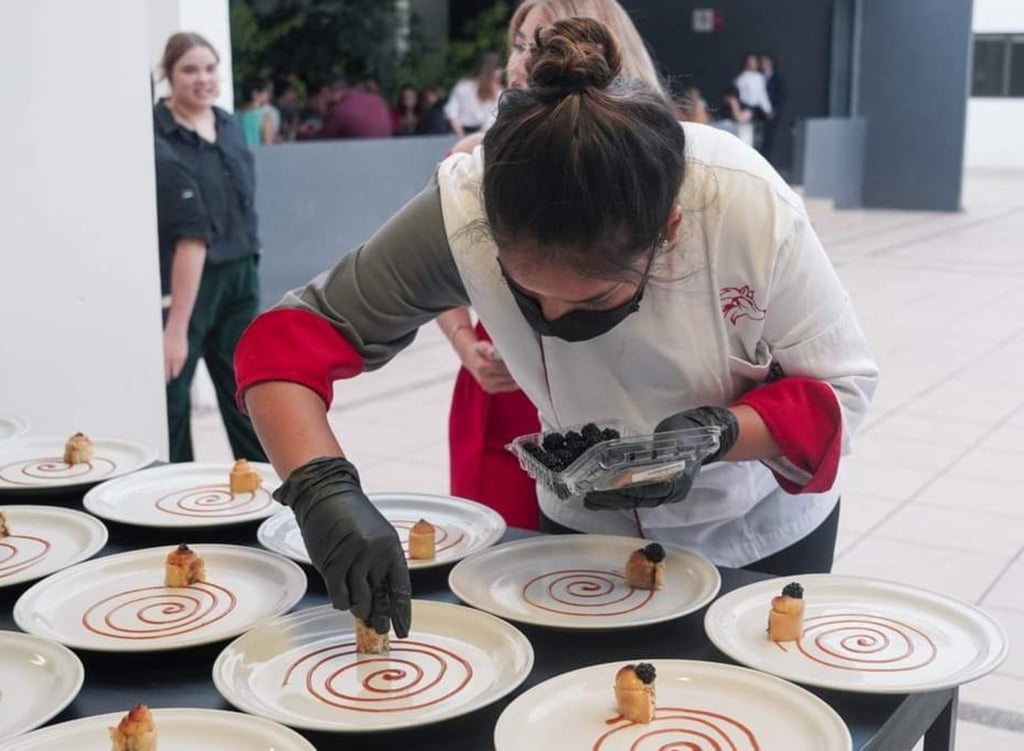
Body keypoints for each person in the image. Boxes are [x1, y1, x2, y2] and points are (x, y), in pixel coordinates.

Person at [234, 18, 877, 637]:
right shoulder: (461, 208)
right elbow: (287, 342)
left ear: (668, 232)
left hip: (754, 527)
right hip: (580, 524)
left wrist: (718, 434)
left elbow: (838, 397)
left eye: (593, 298)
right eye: (525, 294)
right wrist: (321, 488)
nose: (554, 319)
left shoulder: (744, 205)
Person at [437, 0, 675, 531]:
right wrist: (463, 345)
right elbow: (432, 273)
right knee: (490, 551)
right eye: (520, 43)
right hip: (499, 383)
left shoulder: (644, 155)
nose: (524, 60)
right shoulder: (469, 163)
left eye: (546, 42)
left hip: (606, 382)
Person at [154, 32, 267, 464]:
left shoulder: (228, 124)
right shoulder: (157, 137)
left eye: (209, 68)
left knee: (245, 389)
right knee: (173, 395)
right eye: (189, 70)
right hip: (187, 278)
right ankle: (171, 493)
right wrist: (175, 327)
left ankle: (262, 489)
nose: (202, 79)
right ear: (169, 75)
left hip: (240, 272)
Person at [443, 52, 503, 136]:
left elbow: (491, 121)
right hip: (461, 132)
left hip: (481, 134)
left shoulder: (499, 93)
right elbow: (452, 112)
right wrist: (460, 134)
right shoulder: (463, 87)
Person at [318, 76, 393, 139]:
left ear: (333, 92)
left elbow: (323, 139)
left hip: (357, 154)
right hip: (384, 150)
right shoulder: (378, 101)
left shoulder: (339, 110)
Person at [759, 53, 785, 163]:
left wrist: (773, 110)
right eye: (762, 63)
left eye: (766, 62)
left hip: (772, 113)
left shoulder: (777, 78)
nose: (764, 65)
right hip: (760, 113)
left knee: (769, 139)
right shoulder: (758, 77)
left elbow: (781, 95)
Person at [235, 76, 275, 147]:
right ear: (255, 93)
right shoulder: (264, 117)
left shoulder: (234, 116)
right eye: (266, 91)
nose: (268, 95)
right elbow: (268, 145)